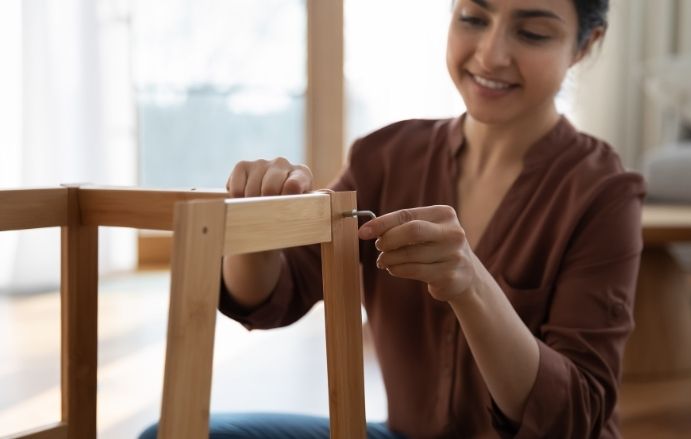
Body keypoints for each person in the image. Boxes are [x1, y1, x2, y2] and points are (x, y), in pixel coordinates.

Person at [141, 0, 643, 437]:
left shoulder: (604, 194)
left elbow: (573, 417)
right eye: (472, 17)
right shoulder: (384, 156)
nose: (491, 54)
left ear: (584, 44)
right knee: (172, 433)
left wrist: (471, 285)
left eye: (532, 32)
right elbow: (272, 298)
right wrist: (257, 223)